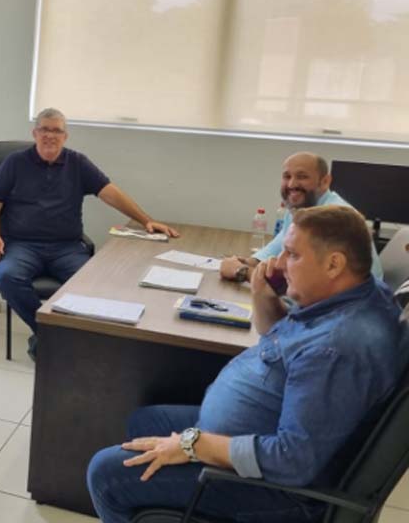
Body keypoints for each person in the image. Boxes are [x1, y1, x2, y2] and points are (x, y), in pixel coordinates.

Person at [86, 205, 407, 522]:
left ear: (335, 264)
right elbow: (285, 342)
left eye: (293, 255)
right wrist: (265, 295)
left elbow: (293, 461)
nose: (278, 264)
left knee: (106, 475)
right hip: (264, 430)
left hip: (279, 491)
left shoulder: (338, 348)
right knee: (144, 421)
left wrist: (195, 445)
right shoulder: (357, 293)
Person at [0, 108, 178, 359]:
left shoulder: (77, 163)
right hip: (22, 245)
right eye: (44, 129)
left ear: (65, 136)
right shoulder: (15, 163)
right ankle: (48, 333)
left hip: (66, 247)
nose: (50, 136)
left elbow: (110, 193)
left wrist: (147, 221)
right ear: (35, 133)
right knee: (8, 276)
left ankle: (51, 338)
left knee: (94, 285)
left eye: (57, 130)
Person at [220, 151, 383, 282]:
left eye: (302, 177)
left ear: (324, 181)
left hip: (347, 310)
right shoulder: (303, 208)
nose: (291, 184)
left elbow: (299, 282)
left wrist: (242, 272)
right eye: (287, 176)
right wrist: (251, 261)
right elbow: (280, 244)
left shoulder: (331, 219)